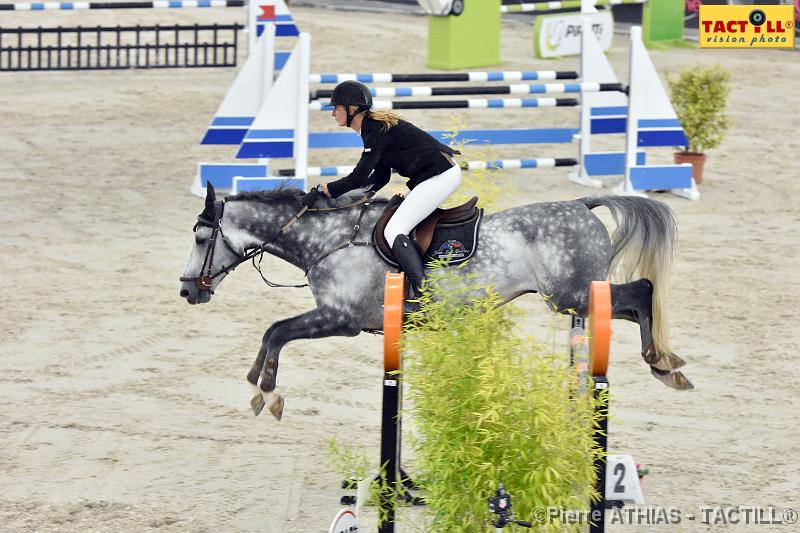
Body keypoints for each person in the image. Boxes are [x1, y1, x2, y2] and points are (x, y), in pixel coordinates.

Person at [300, 80, 462, 309]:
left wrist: (324, 190)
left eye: (336, 108)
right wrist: (360, 198)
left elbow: (358, 177)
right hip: (434, 175)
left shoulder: (374, 130)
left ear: (352, 109)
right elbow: (380, 177)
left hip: (441, 176)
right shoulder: (372, 129)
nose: (332, 113)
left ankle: (425, 297)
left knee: (394, 229)